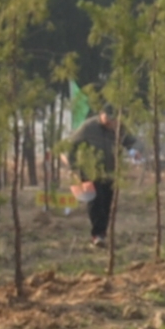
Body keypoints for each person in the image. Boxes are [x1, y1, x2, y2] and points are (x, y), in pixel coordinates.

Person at [69, 103, 120, 244]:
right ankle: (97, 234)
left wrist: (136, 150)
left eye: (113, 118)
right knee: (95, 202)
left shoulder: (116, 127)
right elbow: (70, 146)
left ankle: (103, 232)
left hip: (110, 172)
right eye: (107, 117)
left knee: (106, 203)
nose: (110, 121)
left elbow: (131, 140)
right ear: (101, 114)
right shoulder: (88, 127)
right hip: (90, 171)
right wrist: (73, 168)